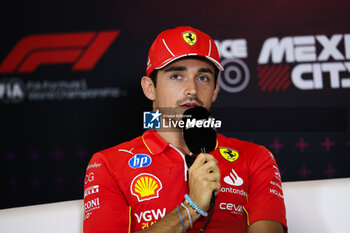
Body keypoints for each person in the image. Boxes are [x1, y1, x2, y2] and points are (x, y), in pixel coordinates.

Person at [83, 26, 287, 233]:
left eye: (203, 78)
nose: (192, 89)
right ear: (149, 88)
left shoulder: (255, 158)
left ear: (215, 90)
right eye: (177, 76)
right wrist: (192, 208)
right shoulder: (108, 165)